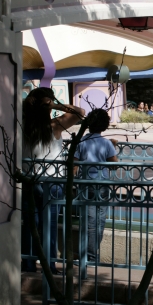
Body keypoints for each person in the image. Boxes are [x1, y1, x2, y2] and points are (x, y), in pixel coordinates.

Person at [22, 87, 85, 273]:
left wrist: (39, 104)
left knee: (30, 225)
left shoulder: (21, 124)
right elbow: (80, 113)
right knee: (48, 226)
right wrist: (54, 104)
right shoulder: (55, 125)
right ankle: (49, 265)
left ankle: (28, 263)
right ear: (48, 105)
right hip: (52, 182)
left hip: (29, 180)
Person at [74, 109, 118, 262]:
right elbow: (114, 165)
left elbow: (74, 164)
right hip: (102, 184)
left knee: (89, 220)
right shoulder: (106, 143)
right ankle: (91, 255)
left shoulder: (81, 141)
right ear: (104, 125)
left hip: (85, 184)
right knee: (100, 220)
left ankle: (88, 255)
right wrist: (113, 146)